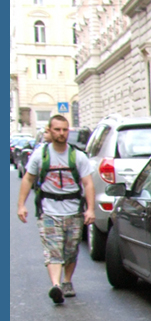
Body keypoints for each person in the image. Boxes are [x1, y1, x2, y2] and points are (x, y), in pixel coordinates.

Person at [16, 114, 96, 304]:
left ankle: (67, 281)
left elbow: (88, 183)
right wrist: (21, 205)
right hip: (48, 210)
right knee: (53, 251)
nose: (61, 133)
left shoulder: (77, 156)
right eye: (57, 130)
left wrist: (90, 209)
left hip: (73, 211)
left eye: (64, 129)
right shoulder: (41, 155)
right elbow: (28, 178)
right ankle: (56, 286)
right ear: (50, 131)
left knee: (70, 250)